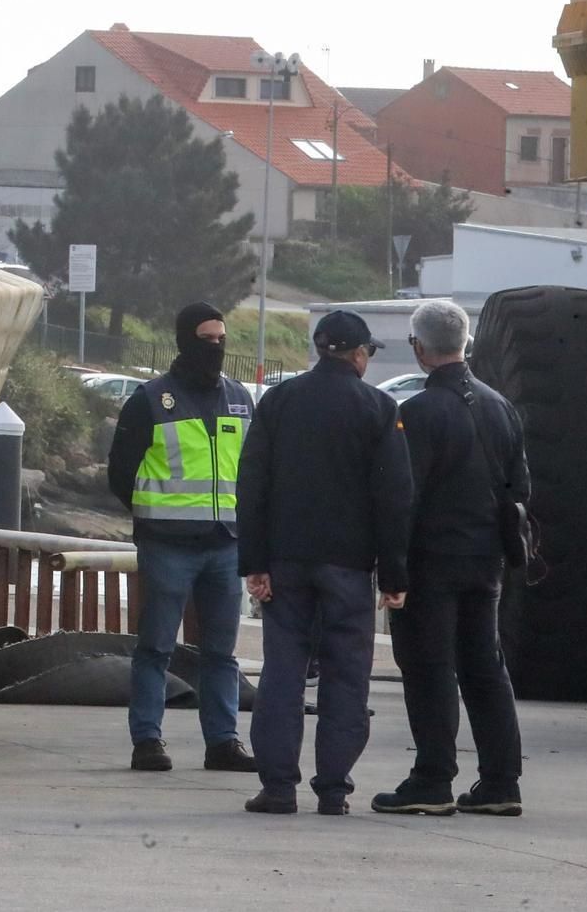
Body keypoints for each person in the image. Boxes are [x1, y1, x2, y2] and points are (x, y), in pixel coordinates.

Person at [237, 309, 413, 816]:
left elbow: (252, 484)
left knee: (283, 673)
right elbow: (394, 496)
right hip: (350, 567)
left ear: (320, 350)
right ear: (359, 354)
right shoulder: (379, 408)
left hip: (286, 561)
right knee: (346, 675)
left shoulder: (279, 401)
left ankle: (277, 787)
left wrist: (255, 562)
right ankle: (333, 790)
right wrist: (394, 574)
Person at [373, 299, 528, 818]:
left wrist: (391, 570)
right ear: (465, 344)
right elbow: (520, 487)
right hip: (487, 561)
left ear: (419, 348)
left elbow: (402, 498)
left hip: (431, 562)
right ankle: (501, 780)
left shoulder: (416, 413)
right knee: (485, 667)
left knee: (428, 668)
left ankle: (433, 778)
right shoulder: (499, 406)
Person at [106, 302, 254, 774]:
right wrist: (152, 518)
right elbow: (119, 473)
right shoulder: (150, 400)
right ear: (184, 340)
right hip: (167, 544)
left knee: (221, 653)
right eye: (206, 339)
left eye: (221, 339)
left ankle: (223, 743)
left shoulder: (240, 399)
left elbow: (253, 470)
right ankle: (147, 740)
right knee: (155, 647)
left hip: (225, 544)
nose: (215, 347)